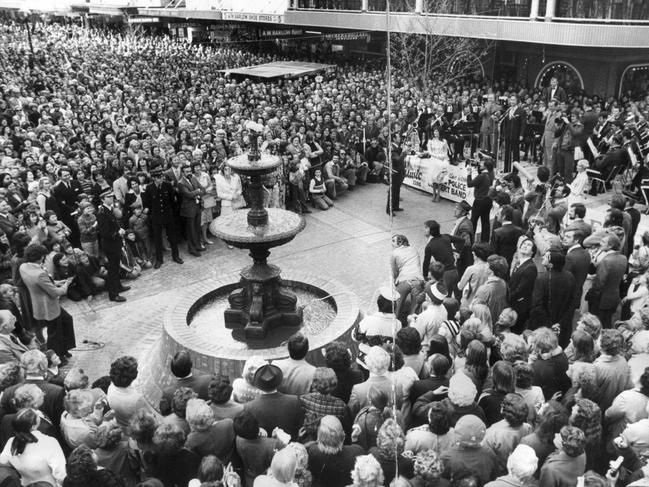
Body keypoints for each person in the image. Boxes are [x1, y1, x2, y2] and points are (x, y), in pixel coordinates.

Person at [19, 244, 75, 360]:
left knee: (66, 320)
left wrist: (55, 282)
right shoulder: (40, 274)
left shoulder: (24, 267)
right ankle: (56, 357)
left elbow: (43, 284)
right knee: (54, 333)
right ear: (40, 257)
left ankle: (64, 349)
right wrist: (67, 284)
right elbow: (56, 292)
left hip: (39, 303)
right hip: (49, 305)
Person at [0, 408, 66, 487]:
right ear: (34, 425)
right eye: (38, 417)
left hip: (25, 484)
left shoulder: (11, 442)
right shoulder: (49, 442)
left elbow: (3, 461)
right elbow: (61, 473)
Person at [244, 364, 303, 441]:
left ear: (258, 384)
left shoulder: (249, 407)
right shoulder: (294, 401)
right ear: (278, 382)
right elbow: (298, 428)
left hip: (263, 450)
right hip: (290, 448)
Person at [530, 250, 576, 348]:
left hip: (544, 325)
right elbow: (572, 303)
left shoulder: (542, 278)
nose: (542, 258)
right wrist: (560, 324)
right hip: (563, 325)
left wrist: (551, 324)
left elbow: (537, 304)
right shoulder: (570, 276)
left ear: (551, 265)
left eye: (546, 257)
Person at [141, 167, 183, 269]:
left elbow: (173, 201)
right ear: (154, 179)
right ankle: (159, 259)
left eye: (161, 177)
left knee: (172, 236)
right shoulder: (149, 188)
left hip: (168, 215)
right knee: (157, 238)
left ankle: (176, 256)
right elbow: (147, 203)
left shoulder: (167, 185)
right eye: (158, 178)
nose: (161, 179)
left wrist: (172, 213)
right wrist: (148, 211)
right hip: (156, 216)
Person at [587, 233, 628, 328]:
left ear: (610, 246)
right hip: (613, 297)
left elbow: (599, 283)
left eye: (603, 242)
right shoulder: (623, 258)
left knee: (595, 325)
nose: (600, 243)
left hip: (601, 299)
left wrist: (590, 295)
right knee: (606, 323)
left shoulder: (606, 261)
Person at [96, 189, 129, 302]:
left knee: (116, 266)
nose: (111, 198)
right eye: (108, 197)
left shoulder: (109, 209)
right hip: (110, 244)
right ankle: (113, 294)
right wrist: (117, 233)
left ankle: (118, 286)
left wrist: (119, 229)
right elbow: (104, 232)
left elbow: (113, 225)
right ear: (103, 199)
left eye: (111, 196)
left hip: (115, 243)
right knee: (113, 269)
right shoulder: (102, 213)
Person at [390, 234, 424, 318]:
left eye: (393, 241)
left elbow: (394, 272)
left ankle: (394, 325)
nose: (392, 243)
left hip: (404, 282)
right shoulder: (414, 249)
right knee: (414, 312)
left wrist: (395, 282)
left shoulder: (394, 253)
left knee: (396, 308)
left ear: (400, 242)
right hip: (418, 281)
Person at [273, 332, 316, 397]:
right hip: (300, 405)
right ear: (307, 349)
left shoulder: (276, 366)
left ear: (288, 348)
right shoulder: (314, 372)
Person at [178, 163, 205, 257]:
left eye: (190, 171)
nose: (189, 173)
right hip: (188, 209)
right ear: (182, 173)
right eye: (187, 172)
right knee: (191, 230)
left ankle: (198, 246)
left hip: (197, 206)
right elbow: (188, 195)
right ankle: (192, 249)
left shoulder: (193, 178)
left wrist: (197, 192)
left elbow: (203, 189)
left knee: (197, 228)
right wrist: (197, 191)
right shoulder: (181, 183)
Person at [467, 158, 494, 242]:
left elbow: (470, 184)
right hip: (488, 200)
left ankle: (470, 241)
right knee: (485, 221)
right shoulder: (491, 173)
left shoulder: (482, 176)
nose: (480, 165)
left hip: (479, 200)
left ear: (485, 167)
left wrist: (469, 173)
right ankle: (484, 241)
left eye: (482, 164)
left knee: (473, 221)